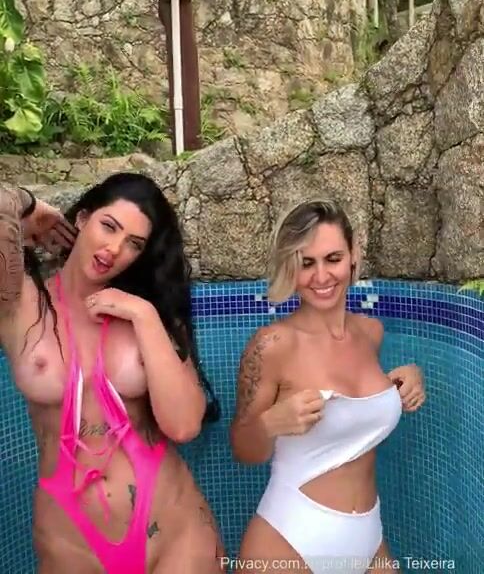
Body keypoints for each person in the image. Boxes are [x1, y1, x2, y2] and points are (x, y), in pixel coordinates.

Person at [0, 174, 224, 574]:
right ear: (83, 218)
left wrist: (144, 316)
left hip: (174, 533)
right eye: (109, 226)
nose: (115, 249)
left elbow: (184, 425)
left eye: (134, 243)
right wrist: (27, 205)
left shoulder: (149, 311)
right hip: (69, 543)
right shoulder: (21, 306)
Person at [230, 199, 426, 574]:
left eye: (332, 259)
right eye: (307, 263)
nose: (321, 276)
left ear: (353, 255)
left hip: (368, 538)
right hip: (289, 539)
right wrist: (271, 423)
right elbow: (242, 449)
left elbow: (353, 407)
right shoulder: (272, 345)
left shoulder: (370, 332)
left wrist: (403, 382)